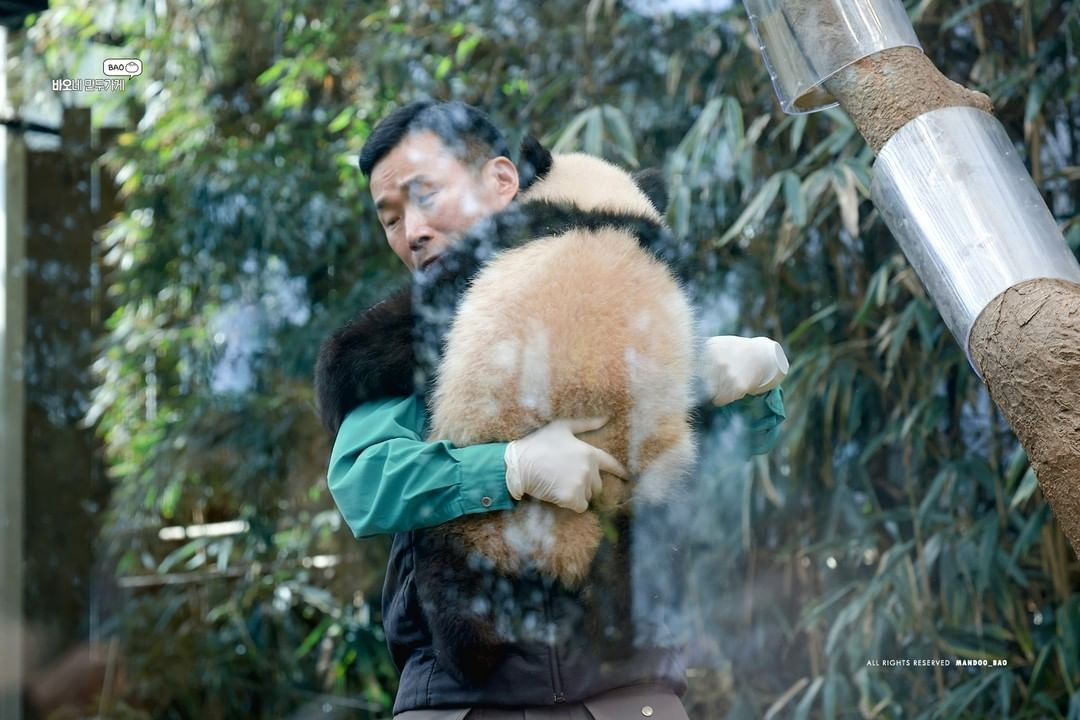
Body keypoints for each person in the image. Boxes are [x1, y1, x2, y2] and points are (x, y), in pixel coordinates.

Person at [318, 100, 786, 719]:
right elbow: (363, 481)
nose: (412, 233)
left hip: (629, 687)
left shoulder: (617, 286)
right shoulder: (408, 334)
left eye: (425, 196)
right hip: (466, 697)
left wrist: (749, 381)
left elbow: (720, 448)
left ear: (502, 181)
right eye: (391, 218)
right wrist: (508, 467)